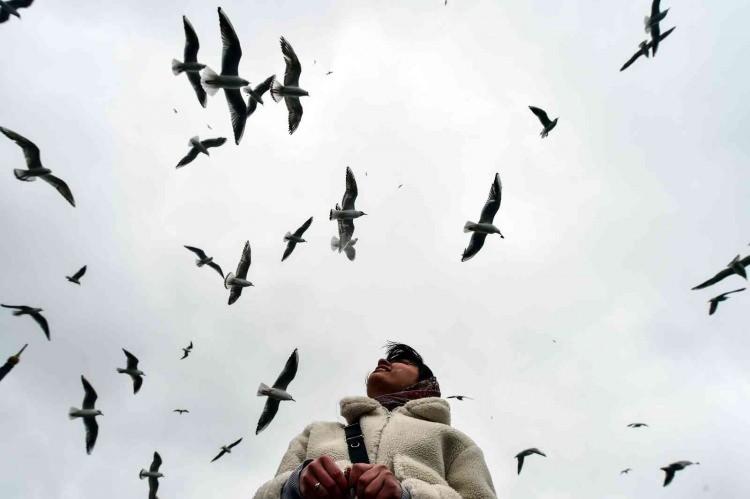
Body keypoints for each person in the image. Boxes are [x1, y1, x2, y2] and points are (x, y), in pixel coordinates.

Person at [253, 342, 497, 499]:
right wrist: (295, 486)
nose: (381, 362)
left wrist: (408, 496)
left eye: (402, 361)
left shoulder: (455, 442)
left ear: (426, 382)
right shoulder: (316, 433)